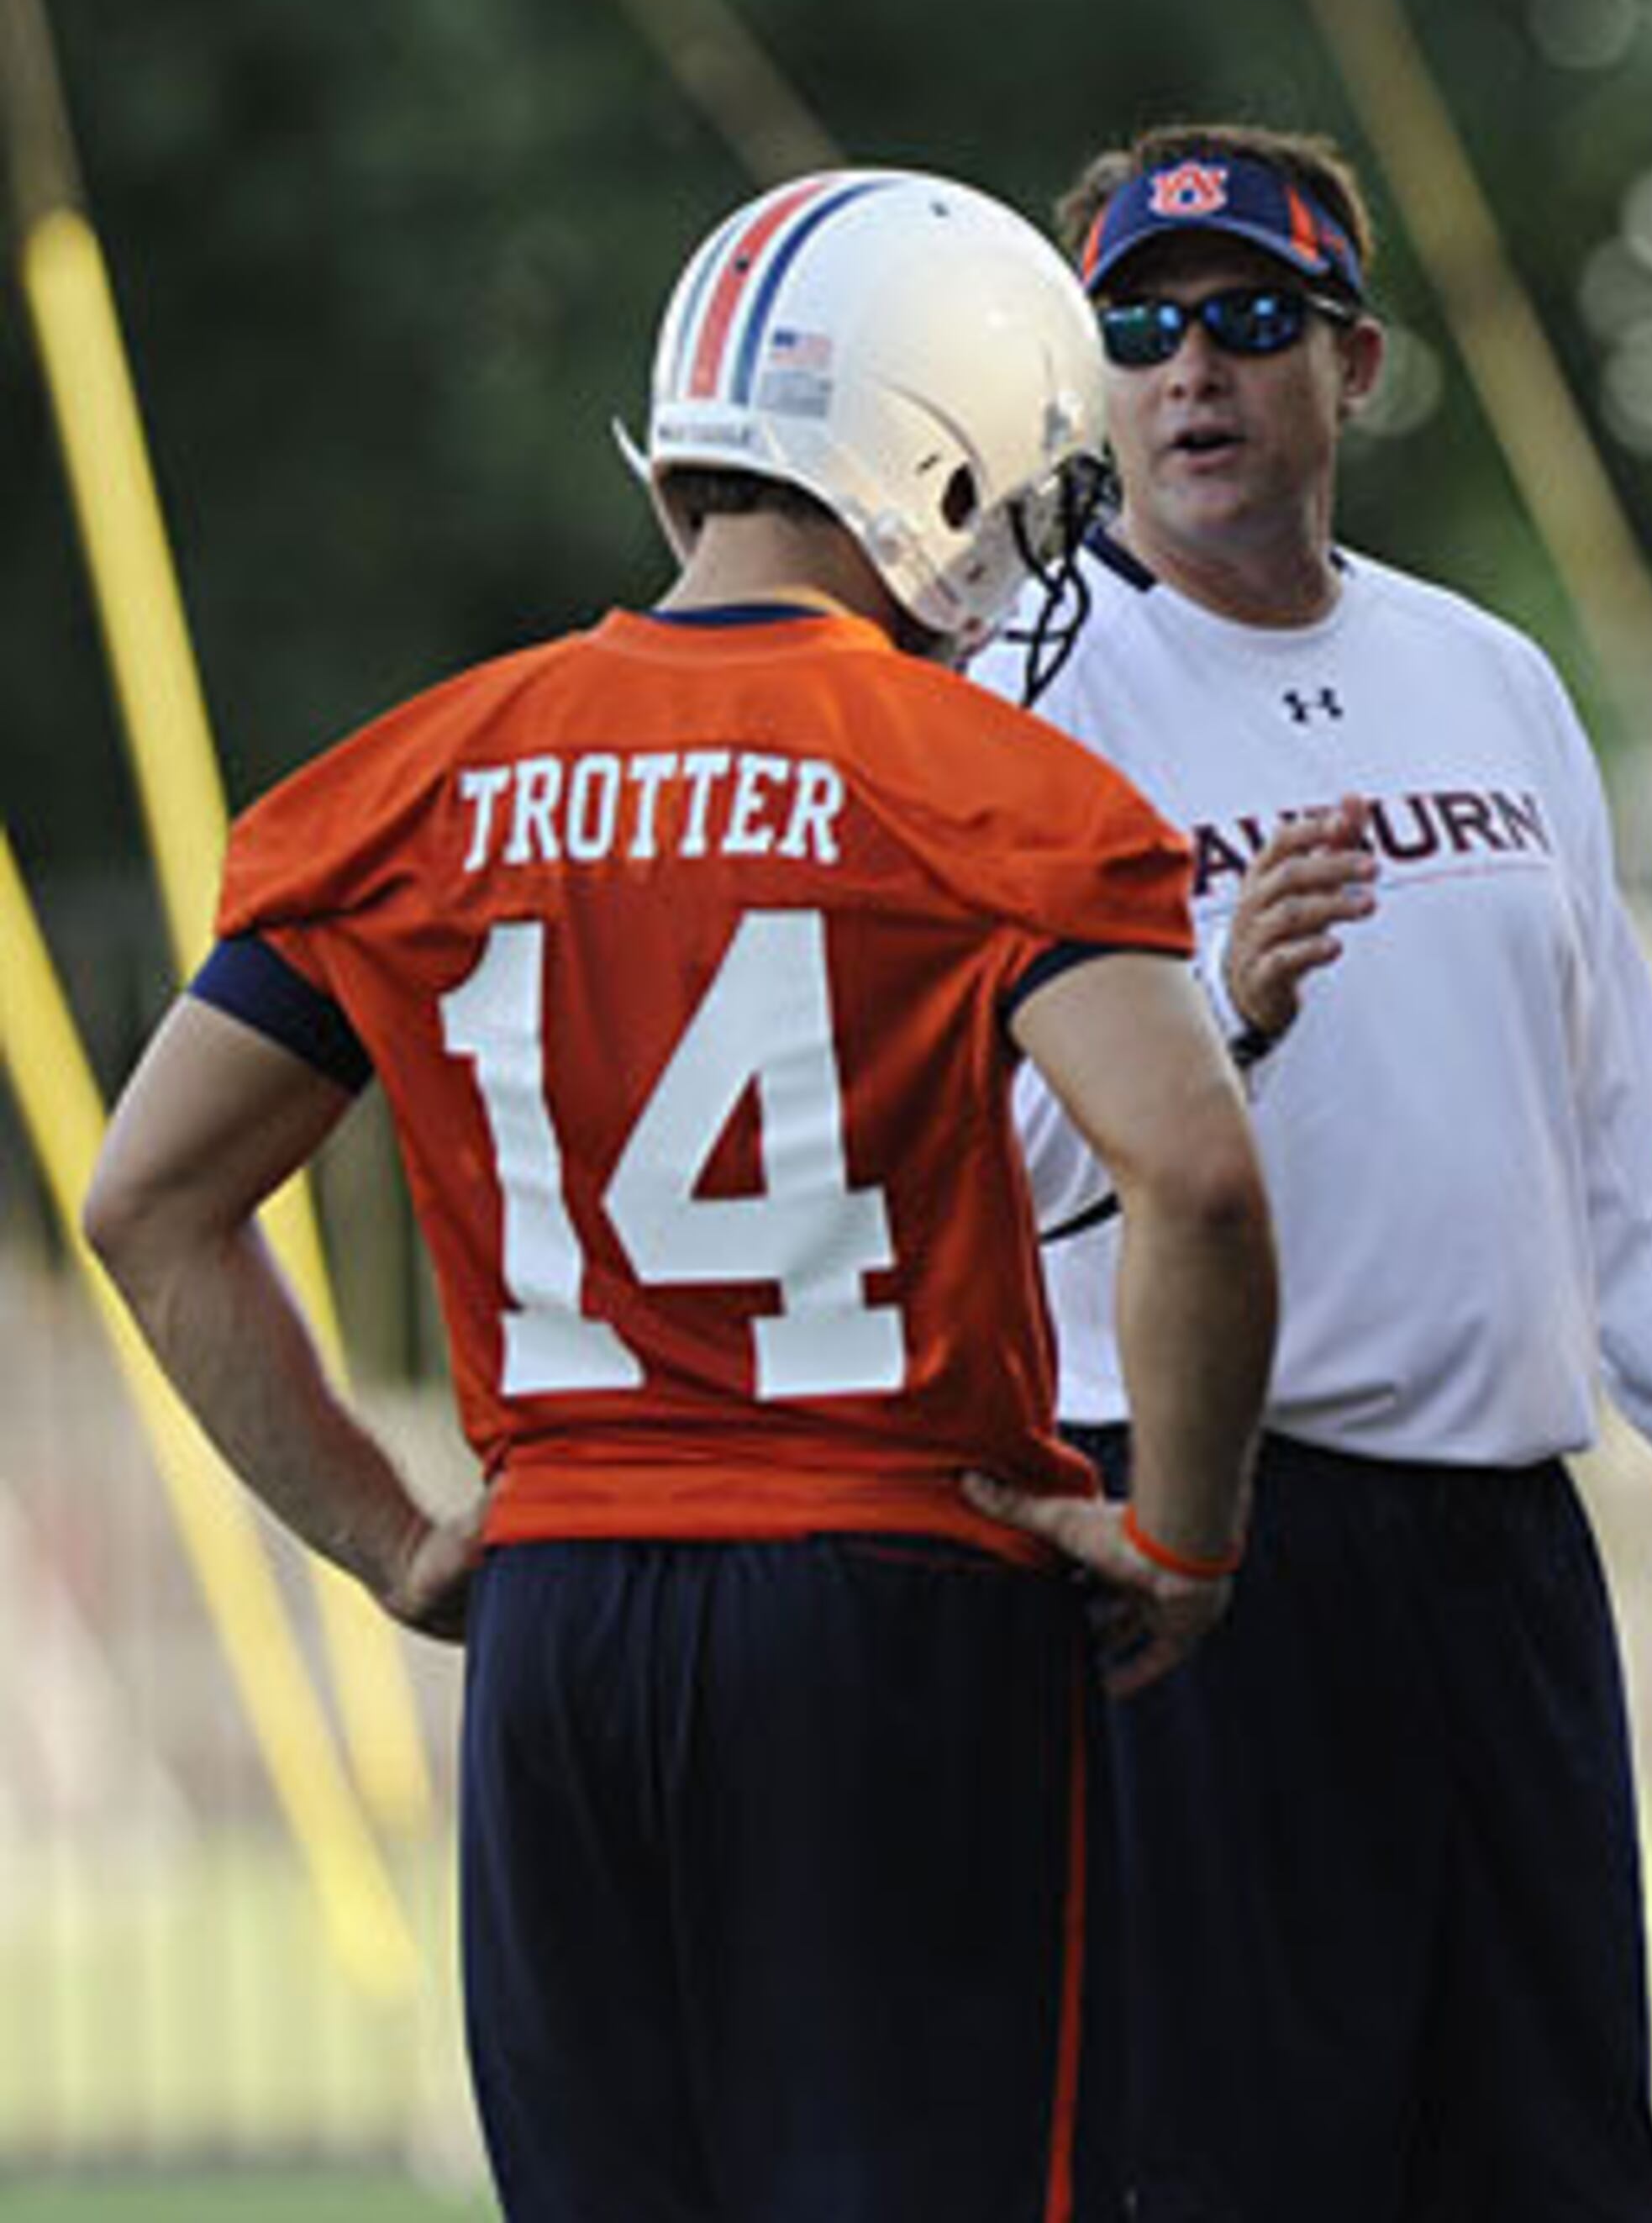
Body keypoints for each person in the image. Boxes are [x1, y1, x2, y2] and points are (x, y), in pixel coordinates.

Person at [79, 168, 1277, 2223]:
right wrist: (1185, 1529)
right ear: (951, 463)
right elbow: (1191, 1168)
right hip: (889, 1600)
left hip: (563, 1619)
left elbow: (146, 1200)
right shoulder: (979, 782)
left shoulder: (415, 779)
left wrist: (389, 1539)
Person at [958, 120, 1652, 2223]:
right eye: (1144, 329)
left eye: (1252, 323)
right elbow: (972, 1176)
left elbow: (1621, 1149)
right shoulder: (1023, 690)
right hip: (1187, 1548)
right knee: (1227, 2165)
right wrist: (1216, 1014)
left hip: (1497, 1561)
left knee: (1552, 2161)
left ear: (1354, 365)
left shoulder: (1488, 673)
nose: (1195, 373)